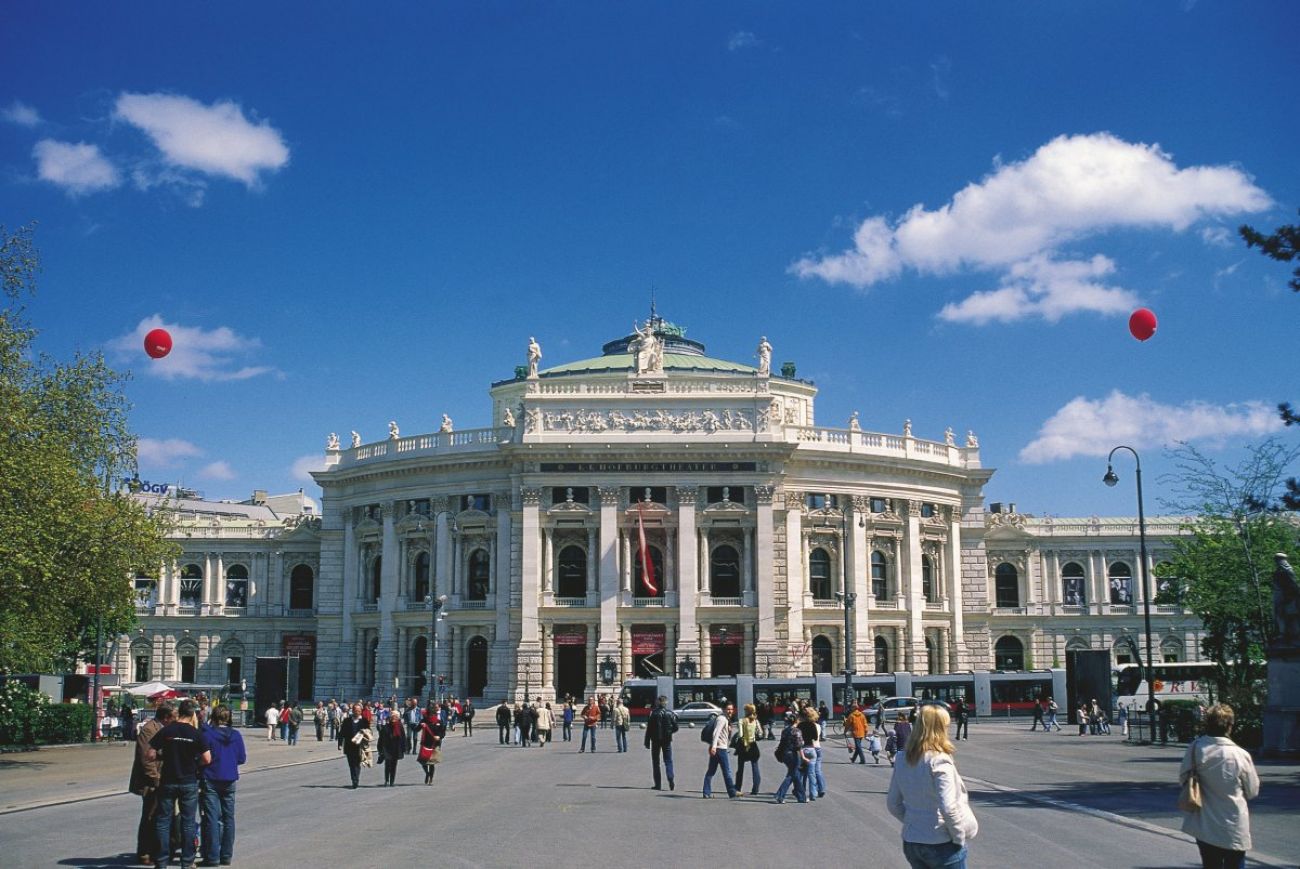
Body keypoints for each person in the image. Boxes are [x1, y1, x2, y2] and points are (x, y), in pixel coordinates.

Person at [886, 704, 979, 869]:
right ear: (940, 729)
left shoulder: (902, 758)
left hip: (912, 842)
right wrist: (958, 837)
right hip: (941, 843)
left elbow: (893, 803)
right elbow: (948, 807)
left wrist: (914, 823)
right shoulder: (939, 760)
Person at [1179, 704, 1259, 869]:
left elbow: (1183, 779)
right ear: (1230, 726)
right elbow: (1252, 791)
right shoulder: (1240, 755)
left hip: (1205, 824)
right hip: (1233, 824)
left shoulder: (1196, 748)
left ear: (1207, 724)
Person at [149, 699, 212, 869]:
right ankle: (187, 861)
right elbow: (207, 759)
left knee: (163, 821)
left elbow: (150, 754)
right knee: (188, 822)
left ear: (179, 712)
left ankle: (161, 861)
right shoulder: (196, 734)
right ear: (192, 714)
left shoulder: (167, 730)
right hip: (188, 781)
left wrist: (164, 756)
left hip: (168, 780)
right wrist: (194, 763)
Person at [200, 705, 246, 867]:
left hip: (211, 777)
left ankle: (212, 856)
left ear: (213, 717)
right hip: (230, 778)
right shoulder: (236, 735)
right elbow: (242, 758)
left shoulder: (207, 734)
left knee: (212, 818)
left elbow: (204, 757)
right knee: (228, 818)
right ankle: (226, 855)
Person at [129, 702, 173, 866]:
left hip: (162, 777)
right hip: (151, 781)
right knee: (150, 816)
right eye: (173, 717)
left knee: (159, 816)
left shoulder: (163, 728)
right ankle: (145, 852)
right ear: (166, 717)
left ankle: (156, 849)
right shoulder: (149, 729)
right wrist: (156, 779)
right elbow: (146, 759)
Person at [702, 706, 737, 798]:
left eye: (731, 709)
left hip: (719, 748)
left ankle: (706, 792)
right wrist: (713, 747)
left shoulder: (725, 719)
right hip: (720, 749)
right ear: (724, 709)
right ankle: (732, 792)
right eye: (728, 709)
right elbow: (716, 733)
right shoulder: (722, 719)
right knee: (727, 771)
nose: (730, 711)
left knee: (711, 771)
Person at [644, 696, 678, 790]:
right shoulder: (670, 713)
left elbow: (649, 729)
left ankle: (658, 784)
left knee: (656, 762)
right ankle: (670, 778)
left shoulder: (653, 713)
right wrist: (669, 732)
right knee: (668, 761)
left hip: (655, 740)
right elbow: (676, 727)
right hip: (667, 740)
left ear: (658, 703)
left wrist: (647, 741)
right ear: (665, 703)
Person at [773, 711, 806, 804]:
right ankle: (780, 795)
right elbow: (799, 745)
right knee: (792, 775)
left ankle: (801, 797)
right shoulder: (797, 731)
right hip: (793, 754)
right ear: (796, 721)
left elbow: (782, 743)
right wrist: (803, 756)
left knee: (795, 774)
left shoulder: (785, 730)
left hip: (785, 754)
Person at [337, 703, 369, 789]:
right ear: (353, 711)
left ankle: (356, 779)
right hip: (349, 746)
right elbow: (341, 733)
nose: (357, 712)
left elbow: (369, 733)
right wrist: (340, 744)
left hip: (359, 747)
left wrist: (366, 741)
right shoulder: (347, 721)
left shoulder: (364, 721)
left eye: (358, 711)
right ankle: (354, 779)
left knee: (357, 763)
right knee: (351, 764)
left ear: (361, 711)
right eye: (355, 710)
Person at [734, 703, 763, 795]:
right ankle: (755, 789)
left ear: (746, 711)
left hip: (743, 746)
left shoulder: (741, 721)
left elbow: (740, 735)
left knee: (740, 768)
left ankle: (738, 787)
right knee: (755, 767)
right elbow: (760, 733)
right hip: (753, 745)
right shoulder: (756, 721)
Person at [797, 707, 823, 800]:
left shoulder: (800, 725)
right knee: (811, 773)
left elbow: (797, 737)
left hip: (802, 749)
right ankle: (813, 794)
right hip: (811, 749)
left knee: (800, 773)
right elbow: (815, 737)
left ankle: (800, 791)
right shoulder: (813, 725)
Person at [377, 706, 405, 786]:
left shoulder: (400, 726)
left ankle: (392, 781)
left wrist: (404, 748)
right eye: (392, 716)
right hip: (387, 748)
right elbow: (381, 739)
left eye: (395, 717)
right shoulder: (385, 727)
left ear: (398, 718)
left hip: (396, 749)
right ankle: (386, 780)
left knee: (394, 765)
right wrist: (380, 749)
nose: (393, 718)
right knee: (387, 764)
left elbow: (403, 738)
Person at [418, 709, 446, 785]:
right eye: (429, 714)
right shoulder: (424, 721)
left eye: (432, 714)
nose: (431, 716)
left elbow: (443, 732)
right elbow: (416, 729)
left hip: (434, 744)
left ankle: (431, 779)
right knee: (423, 762)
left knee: (431, 763)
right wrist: (420, 725)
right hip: (425, 744)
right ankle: (427, 773)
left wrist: (439, 736)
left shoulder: (439, 722)